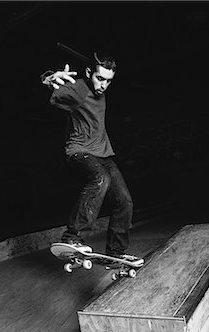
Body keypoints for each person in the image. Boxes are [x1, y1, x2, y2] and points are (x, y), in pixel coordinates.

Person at [41, 51, 143, 262]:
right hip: (79, 153)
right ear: (89, 73)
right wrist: (49, 77)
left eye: (108, 81)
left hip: (103, 155)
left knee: (125, 201)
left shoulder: (100, 90)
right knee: (100, 180)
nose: (103, 85)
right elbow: (52, 89)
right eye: (100, 78)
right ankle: (72, 236)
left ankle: (115, 252)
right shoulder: (79, 88)